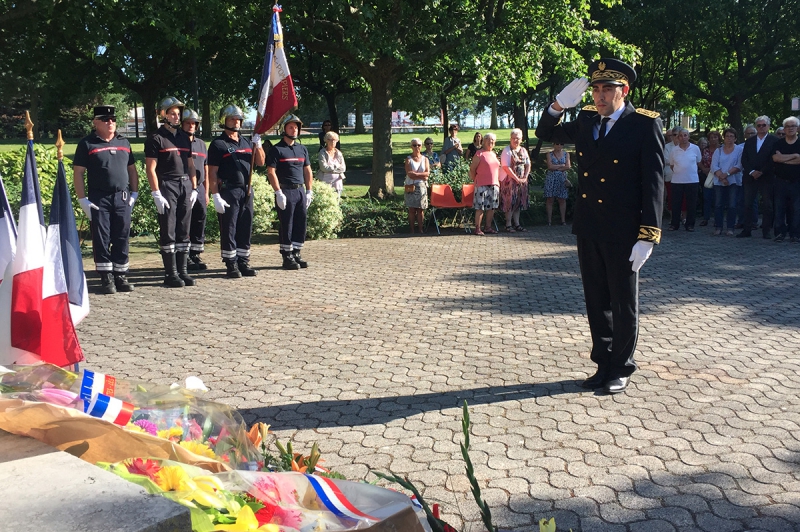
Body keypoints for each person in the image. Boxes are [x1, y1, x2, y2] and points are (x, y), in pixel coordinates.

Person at [535, 58, 665, 395]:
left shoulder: (644, 124)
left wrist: (647, 235)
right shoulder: (586, 120)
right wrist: (558, 105)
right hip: (590, 224)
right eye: (595, 88)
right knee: (596, 300)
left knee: (623, 301)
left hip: (624, 228)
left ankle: (621, 367)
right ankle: (603, 364)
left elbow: (653, 183)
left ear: (625, 91)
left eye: (607, 88)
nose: (599, 95)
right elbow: (545, 133)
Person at [73, 105, 139, 294]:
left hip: (122, 196)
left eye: (113, 119)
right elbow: (78, 173)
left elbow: (132, 170)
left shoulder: (124, 142)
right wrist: (82, 199)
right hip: (99, 197)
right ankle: (105, 276)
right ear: (95, 122)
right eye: (105, 119)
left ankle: (120, 274)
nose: (110, 122)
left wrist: (134, 193)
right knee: (101, 237)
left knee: (121, 235)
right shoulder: (87, 143)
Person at [145, 96, 197, 288]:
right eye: (172, 114)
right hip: (167, 184)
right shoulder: (156, 138)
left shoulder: (184, 137)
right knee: (169, 228)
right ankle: (171, 273)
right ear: (163, 114)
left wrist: (194, 187)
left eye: (178, 114)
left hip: (185, 184)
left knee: (184, 228)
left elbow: (191, 165)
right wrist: (156, 192)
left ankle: (183, 271)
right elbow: (150, 168)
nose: (176, 117)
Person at [208, 104, 265, 278]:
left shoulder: (247, 141)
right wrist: (215, 195)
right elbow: (212, 171)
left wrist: (259, 144)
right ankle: (230, 263)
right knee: (229, 227)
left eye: (239, 119)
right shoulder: (218, 144)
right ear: (224, 120)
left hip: (246, 190)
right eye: (233, 119)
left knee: (245, 226)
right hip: (229, 190)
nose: (237, 122)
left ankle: (243, 260)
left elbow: (261, 162)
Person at [266, 115, 314, 270]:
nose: (294, 130)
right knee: (287, 224)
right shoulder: (276, 149)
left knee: (301, 223)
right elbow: (271, 172)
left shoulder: (302, 149)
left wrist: (309, 191)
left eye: (296, 127)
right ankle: (287, 256)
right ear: (284, 129)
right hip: (285, 190)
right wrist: (278, 192)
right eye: (291, 127)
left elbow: (307, 171)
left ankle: (297, 252)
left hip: (300, 190)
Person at [738, 115, 778, 239]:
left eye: (763, 125)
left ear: (768, 126)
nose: (761, 127)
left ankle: (766, 231)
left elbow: (773, 159)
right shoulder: (749, 141)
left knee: (767, 205)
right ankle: (747, 229)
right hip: (750, 177)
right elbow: (744, 159)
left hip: (766, 177)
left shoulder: (774, 140)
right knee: (748, 204)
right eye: (759, 125)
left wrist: (761, 171)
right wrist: (751, 171)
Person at [181, 109, 209, 271]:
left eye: (194, 124)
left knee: (200, 217)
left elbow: (205, 168)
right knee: (186, 220)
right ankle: (184, 255)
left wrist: (206, 192)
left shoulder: (201, 144)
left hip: (199, 187)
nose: (191, 126)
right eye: (188, 123)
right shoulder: (178, 142)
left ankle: (195, 253)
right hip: (184, 186)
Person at [770, 116, 800, 243]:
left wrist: (783, 158)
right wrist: (794, 156)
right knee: (779, 208)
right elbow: (776, 159)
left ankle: (795, 234)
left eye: (793, 126)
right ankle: (780, 233)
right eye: (787, 126)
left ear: (797, 128)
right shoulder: (778, 143)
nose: (790, 128)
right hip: (780, 181)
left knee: (796, 209)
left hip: (797, 182)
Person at [666, 128, 701, 231]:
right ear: (677, 137)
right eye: (680, 135)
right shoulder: (674, 150)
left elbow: (698, 162)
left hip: (692, 180)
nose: (683, 137)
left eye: (685, 135)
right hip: (677, 181)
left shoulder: (695, 148)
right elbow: (672, 165)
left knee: (692, 204)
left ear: (688, 137)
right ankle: (674, 224)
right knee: (675, 203)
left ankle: (690, 225)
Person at [710, 128, 743, 236]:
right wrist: (722, 178)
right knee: (718, 205)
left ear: (735, 138)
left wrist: (727, 175)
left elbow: (739, 165)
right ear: (724, 138)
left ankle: (730, 227)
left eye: (731, 136)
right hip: (719, 182)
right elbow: (714, 166)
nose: (729, 138)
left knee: (732, 205)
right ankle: (718, 227)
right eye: (727, 136)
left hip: (733, 181)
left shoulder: (739, 150)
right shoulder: (718, 150)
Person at [468, 132, 500, 236]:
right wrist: (475, 180)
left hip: (494, 184)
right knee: (480, 207)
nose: (491, 142)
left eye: (493, 141)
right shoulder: (479, 154)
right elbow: (472, 169)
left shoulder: (494, 154)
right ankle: (477, 228)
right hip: (481, 184)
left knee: (491, 207)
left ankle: (488, 227)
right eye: (489, 140)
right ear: (484, 141)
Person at [499, 128, 531, 232]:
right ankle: (508, 224)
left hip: (521, 181)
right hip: (509, 181)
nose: (515, 140)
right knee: (509, 202)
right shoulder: (507, 151)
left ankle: (517, 224)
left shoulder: (523, 150)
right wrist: (516, 178)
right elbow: (506, 167)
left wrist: (525, 176)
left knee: (518, 202)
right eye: (513, 138)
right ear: (510, 139)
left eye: (517, 138)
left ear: (521, 139)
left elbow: (528, 164)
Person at [404, 138, 430, 234]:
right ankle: (411, 230)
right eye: (414, 145)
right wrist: (421, 175)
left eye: (418, 145)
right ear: (411, 147)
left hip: (422, 187)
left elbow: (427, 173)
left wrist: (416, 174)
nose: (417, 147)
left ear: (421, 146)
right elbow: (409, 174)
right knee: (411, 209)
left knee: (420, 209)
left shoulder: (425, 159)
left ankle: (420, 229)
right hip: (411, 186)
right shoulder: (408, 159)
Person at [544, 140, 571, 226]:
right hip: (551, 179)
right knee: (550, 199)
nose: (559, 145)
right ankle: (549, 221)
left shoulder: (566, 154)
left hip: (562, 178)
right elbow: (550, 166)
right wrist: (561, 166)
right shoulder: (549, 154)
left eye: (561, 144)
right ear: (554, 144)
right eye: (557, 143)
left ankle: (563, 220)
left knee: (562, 199)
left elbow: (568, 166)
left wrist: (557, 167)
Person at [699, 131, 721, 226]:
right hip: (706, 175)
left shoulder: (722, 149)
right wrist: (704, 169)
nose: (713, 139)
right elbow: (699, 161)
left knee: (718, 199)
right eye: (711, 137)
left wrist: (715, 170)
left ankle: (717, 219)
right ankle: (706, 218)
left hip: (719, 175)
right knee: (706, 197)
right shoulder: (705, 150)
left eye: (715, 137)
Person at [318, 131, 346, 199]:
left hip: (338, 182)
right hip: (325, 182)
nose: (333, 142)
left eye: (335, 140)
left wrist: (330, 168)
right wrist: (336, 166)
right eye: (331, 140)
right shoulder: (322, 153)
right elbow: (323, 168)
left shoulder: (338, 153)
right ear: (326, 141)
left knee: (337, 202)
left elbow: (343, 168)